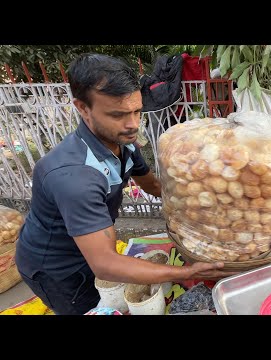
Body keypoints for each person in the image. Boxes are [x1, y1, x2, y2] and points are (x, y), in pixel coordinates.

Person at [15, 53, 235, 315]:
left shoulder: (123, 141)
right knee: (90, 308)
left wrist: (208, 207)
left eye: (137, 111)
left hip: (93, 249)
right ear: (82, 108)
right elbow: (106, 264)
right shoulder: (74, 177)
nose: (132, 125)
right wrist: (186, 272)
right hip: (58, 267)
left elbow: (153, 185)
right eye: (118, 114)